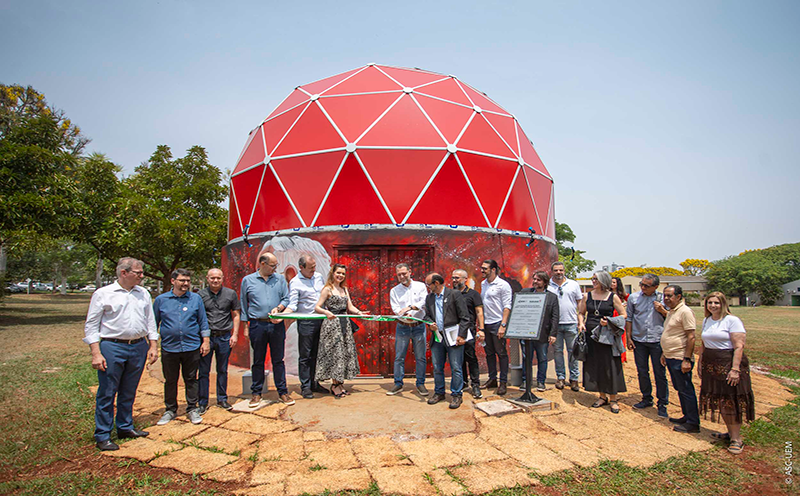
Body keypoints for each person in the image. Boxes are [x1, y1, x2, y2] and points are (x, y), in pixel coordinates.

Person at [84, 257, 159, 451]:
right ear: (123, 273)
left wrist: (153, 345)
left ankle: (125, 427)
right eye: (138, 273)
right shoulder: (103, 294)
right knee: (107, 392)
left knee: (129, 390)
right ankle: (103, 434)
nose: (142, 276)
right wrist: (96, 353)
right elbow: (91, 325)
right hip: (112, 347)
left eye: (142, 272)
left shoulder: (143, 293)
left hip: (138, 347)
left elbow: (150, 321)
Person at [697, 292, 755, 454]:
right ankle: (729, 432)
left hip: (728, 364)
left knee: (731, 400)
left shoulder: (732, 321)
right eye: (710, 303)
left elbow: (739, 346)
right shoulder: (707, 320)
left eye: (716, 303)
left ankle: (736, 439)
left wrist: (735, 369)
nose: (713, 306)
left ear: (723, 304)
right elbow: (703, 343)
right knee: (720, 399)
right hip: (711, 365)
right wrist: (701, 362)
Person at [153, 269, 210, 426]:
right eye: (182, 280)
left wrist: (205, 341)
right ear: (173, 281)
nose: (185, 284)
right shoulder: (161, 300)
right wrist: (152, 346)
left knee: (191, 379)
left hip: (191, 347)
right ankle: (170, 409)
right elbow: (153, 324)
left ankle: (192, 408)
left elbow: (202, 321)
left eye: (187, 281)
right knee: (170, 380)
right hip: (169, 348)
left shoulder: (195, 299)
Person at [240, 252, 294, 407]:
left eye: (276, 265)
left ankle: (282, 392)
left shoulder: (279, 279)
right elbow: (244, 304)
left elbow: (286, 298)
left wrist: (279, 308)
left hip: (276, 325)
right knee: (258, 360)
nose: (275, 268)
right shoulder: (248, 281)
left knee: (278, 360)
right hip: (257, 325)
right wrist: (245, 327)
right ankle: (256, 393)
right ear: (262, 264)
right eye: (272, 265)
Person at [577, 271, 627, 413]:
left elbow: (624, 314)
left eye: (596, 279)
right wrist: (581, 323)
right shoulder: (587, 296)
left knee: (609, 365)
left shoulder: (613, 297)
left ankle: (614, 399)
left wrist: (610, 321)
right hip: (591, 335)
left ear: (603, 281)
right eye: (593, 279)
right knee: (595, 365)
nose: (593, 281)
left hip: (607, 336)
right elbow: (581, 312)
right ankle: (602, 396)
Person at [314, 264, 364, 398]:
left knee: (343, 353)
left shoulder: (344, 289)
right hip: (332, 325)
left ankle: (340, 383)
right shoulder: (327, 289)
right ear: (333, 273)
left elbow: (350, 307)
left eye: (343, 273)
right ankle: (334, 385)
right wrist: (326, 312)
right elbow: (317, 307)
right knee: (335, 354)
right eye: (338, 273)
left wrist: (360, 313)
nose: (340, 276)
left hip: (344, 324)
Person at [423, 273, 470, 409]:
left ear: (436, 283)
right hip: (438, 337)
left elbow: (465, 317)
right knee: (437, 367)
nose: (428, 287)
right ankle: (439, 392)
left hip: (454, 337)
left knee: (456, 367)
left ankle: (456, 394)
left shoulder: (454, 294)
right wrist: (429, 323)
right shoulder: (429, 298)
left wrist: (462, 335)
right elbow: (427, 315)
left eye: (429, 284)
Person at [284, 255, 329, 399]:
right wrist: (282, 315)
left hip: (320, 320)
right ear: (301, 268)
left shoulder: (318, 277)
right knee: (305, 355)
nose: (313, 270)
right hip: (306, 322)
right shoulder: (295, 282)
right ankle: (306, 386)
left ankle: (315, 383)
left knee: (317, 353)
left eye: (314, 267)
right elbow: (292, 304)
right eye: (310, 268)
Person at [625, 274, 670, 418]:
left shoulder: (664, 299)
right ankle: (646, 398)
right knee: (642, 371)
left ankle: (662, 403)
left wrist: (662, 310)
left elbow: (673, 318)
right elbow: (630, 318)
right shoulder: (634, 298)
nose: (643, 288)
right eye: (641, 284)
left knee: (659, 373)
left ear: (656, 287)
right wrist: (629, 337)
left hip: (657, 340)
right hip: (639, 339)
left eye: (647, 286)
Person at [197, 268, 241, 413]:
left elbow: (235, 315)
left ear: (223, 278)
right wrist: (204, 339)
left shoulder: (230, 294)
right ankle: (202, 401)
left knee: (222, 369)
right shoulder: (200, 296)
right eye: (212, 278)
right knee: (204, 370)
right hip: (206, 338)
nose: (215, 281)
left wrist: (234, 335)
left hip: (224, 337)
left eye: (218, 278)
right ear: (207, 279)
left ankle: (222, 398)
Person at [660, 285, 700, 433]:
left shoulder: (685, 312)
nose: (666, 299)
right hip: (671, 356)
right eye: (665, 296)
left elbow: (691, 337)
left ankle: (693, 422)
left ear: (679, 297)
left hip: (680, 357)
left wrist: (687, 359)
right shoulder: (672, 311)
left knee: (686, 390)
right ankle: (686, 416)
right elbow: (670, 333)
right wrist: (664, 353)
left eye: (669, 296)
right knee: (680, 389)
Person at [387, 263, 429, 396]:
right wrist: (405, 315)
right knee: (399, 357)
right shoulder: (394, 291)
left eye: (404, 273)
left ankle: (420, 384)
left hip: (418, 326)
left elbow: (423, 302)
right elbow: (396, 309)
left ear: (410, 272)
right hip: (403, 327)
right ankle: (398, 383)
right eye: (399, 274)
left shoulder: (421, 286)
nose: (402, 276)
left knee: (421, 357)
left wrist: (411, 309)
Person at [518, 271, 559, 391]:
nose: (535, 282)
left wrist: (553, 333)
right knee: (527, 358)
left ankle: (541, 381)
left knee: (542, 358)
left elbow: (555, 317)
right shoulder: (526, 293)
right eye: (534, 279)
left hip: (543, 334)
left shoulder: (552, 297)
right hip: (526, 333)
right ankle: (526, 381)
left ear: (545, 282)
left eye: (538, 280)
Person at [548, 261, 583, 391]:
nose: (559, 272)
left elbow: (579, 303)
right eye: (556, 270)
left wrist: (580, 320)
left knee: (572, 352)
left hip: (571, 323)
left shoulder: (573, 284)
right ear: (552, 271)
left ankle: (574, 379)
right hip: (555, 325)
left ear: (564, 271)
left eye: (561, 270)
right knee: (557, 352)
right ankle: (560, 377)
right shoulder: (548, 286)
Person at [480, 259, 512, 396]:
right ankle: (492, 378)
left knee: (502, 353)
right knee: (489, 353)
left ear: (493, 270)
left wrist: (503, 325)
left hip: (497, 323)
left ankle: (503, 381)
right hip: (486, 324)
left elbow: (507, 306)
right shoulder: (483, 284)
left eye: (485, 268)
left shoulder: (503, 285)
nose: (482, 270)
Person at [451, 269, 484, 398]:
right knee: (458, 358)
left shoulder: (473, 294)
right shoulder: (450, 294)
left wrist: (481, 329)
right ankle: (463, 382)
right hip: (453, 331)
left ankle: (475, 384)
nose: (454, 280)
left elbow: (479, 312)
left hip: (469, 331)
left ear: (465, 279)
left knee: (470, 357)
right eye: (453, 278)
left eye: (457, 278)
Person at [610, 277, 628, 363]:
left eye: (614, 282)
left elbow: (630, 300)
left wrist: (623, 305)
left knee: (621, 336)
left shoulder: (621, 293)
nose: (612, 284)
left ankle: (622, 357)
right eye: (611, 282)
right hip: (611, 315)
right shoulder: (607, 293)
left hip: (619, 315)